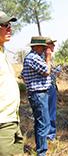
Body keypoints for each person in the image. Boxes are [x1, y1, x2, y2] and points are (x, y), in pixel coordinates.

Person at [21, 36, 52, 156]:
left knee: (41, 122)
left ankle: (41, 149)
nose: (45, 49)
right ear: (37, 46)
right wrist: (48, 58)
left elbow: (23, 75)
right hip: (38, 94)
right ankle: (42, 152)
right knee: (43, 123)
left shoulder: (33, 57)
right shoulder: (33, 57)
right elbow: (46, 71)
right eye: (43, 47)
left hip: (38, 93)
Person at [0, 11, 24, 155]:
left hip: (12, 119)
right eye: (4, 25)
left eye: (9, 25)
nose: (10, 28)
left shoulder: (3, 52)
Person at [45, 38, 61, 141]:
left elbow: (52, 73)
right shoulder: (44, 58)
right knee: (48, 111)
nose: (53, 47)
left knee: (51, 111)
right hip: (47, 88)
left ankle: (51, 134)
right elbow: (46, 72)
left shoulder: (49, 58)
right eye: (52, 45)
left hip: (52, 86)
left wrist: (57, 71)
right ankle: (49, 135)